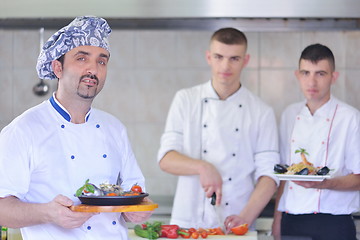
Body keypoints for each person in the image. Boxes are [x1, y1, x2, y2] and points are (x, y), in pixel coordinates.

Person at [0, 16, 153, 240]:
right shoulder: (24, 130)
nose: (93, 69)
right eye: (81, 58)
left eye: (102, 61)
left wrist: (138, 211)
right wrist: (47, 214)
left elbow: (136, 195)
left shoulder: (114, 128)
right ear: (57, 68)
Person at [157, 28, 280, 231]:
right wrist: (203, 167)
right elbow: (166, 159)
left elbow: (269, 175)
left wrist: (244, 218)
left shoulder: (261, 111)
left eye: (234, 58)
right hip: (189, 224)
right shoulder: (186, 100)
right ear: (208, 57)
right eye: (219, 57)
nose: (225, 65)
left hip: (237, 224)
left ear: (245, 60)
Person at [272, 43, 360, 240]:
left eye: (320, 74)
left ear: (333, 77)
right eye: (306, 73)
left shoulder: (350, 118)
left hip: (335, 224)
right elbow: (284, 176)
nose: (311, 82)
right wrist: (277, 218)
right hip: (292, 220)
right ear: (298, 75)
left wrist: (325, 184)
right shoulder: (289, 115)